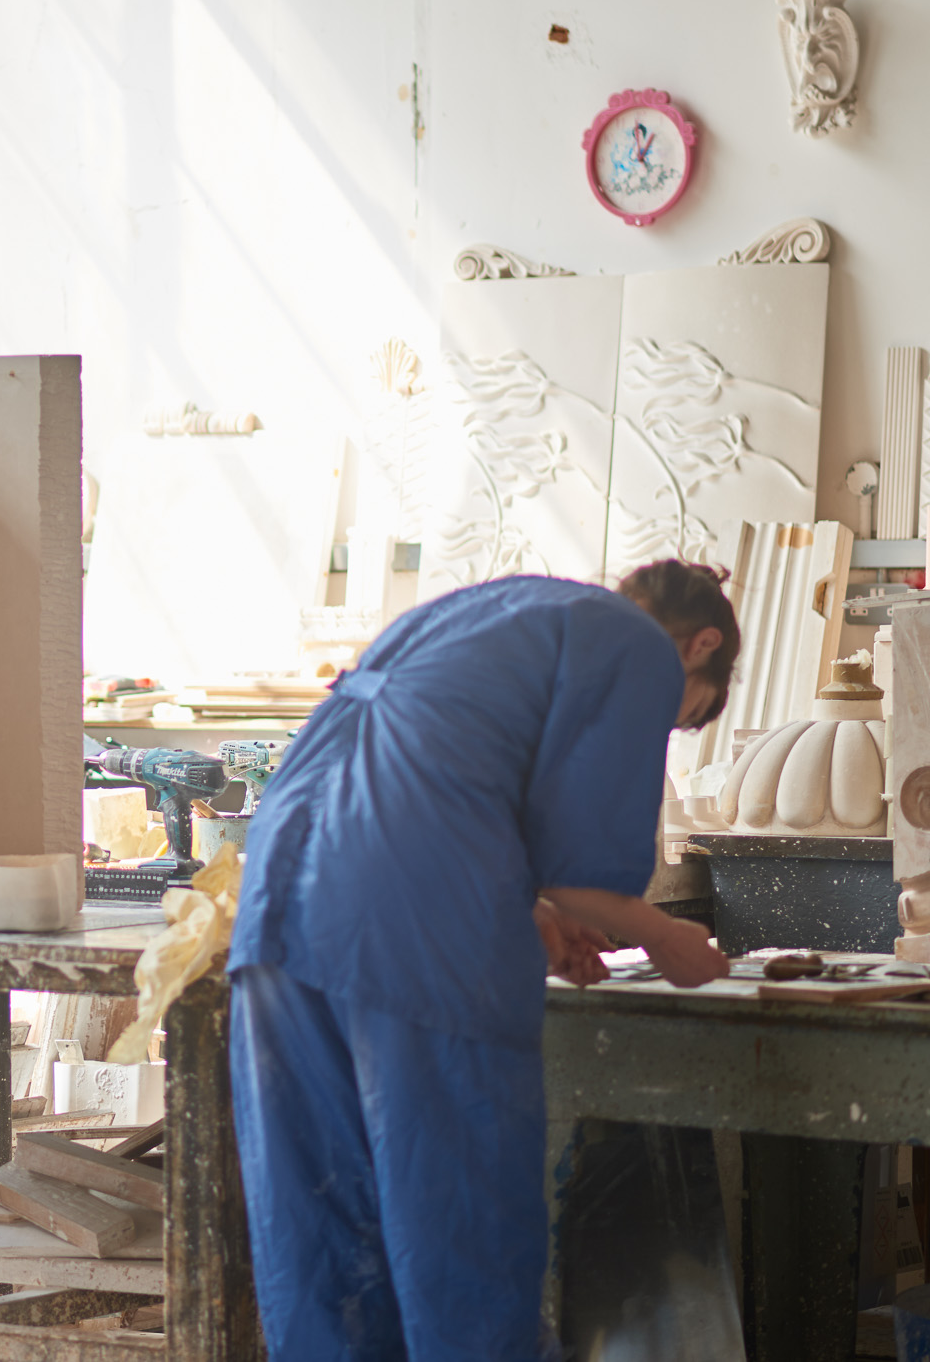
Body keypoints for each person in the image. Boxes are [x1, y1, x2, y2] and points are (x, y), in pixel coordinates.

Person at [226, 562, 738, 1362]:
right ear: (700, 644)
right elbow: (585, 871)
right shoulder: (637, 644)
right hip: (416, 928)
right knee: (455, 1218)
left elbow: (428, 767)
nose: (660, 729)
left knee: (324, 1223)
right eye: (685, 713)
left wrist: (527, 908)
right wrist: (668, 939)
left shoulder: (493, 609)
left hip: (286, 894)